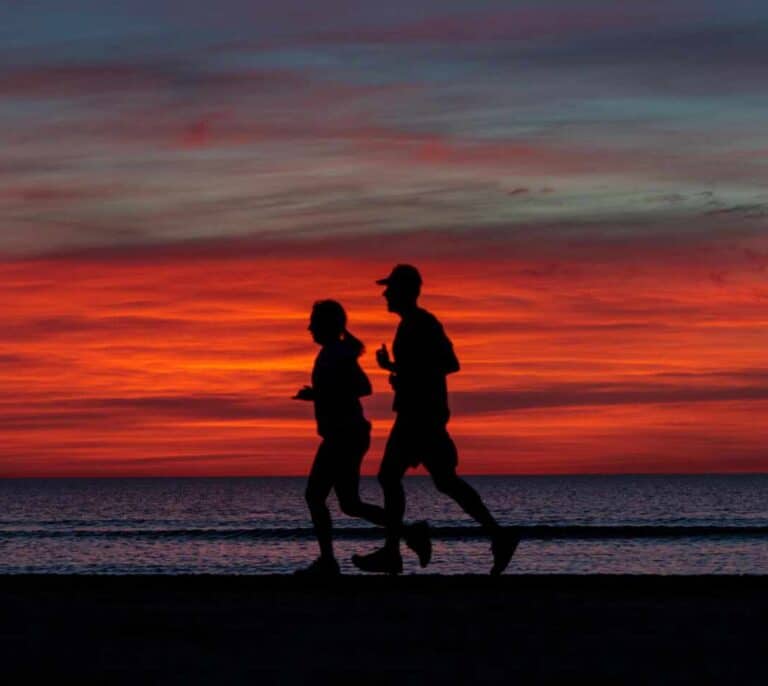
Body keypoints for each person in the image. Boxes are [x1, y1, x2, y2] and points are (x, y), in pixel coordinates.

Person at [352, 265, 519, 575]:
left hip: (421, 415)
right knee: (443, 481)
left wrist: (403, 371)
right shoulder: (410, 325)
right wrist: (393, 367)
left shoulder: (423, 323)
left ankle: (394, 551)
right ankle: (498, 535)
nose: (384, 294)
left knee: (393, 477)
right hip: (418, 413)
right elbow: (421, 368)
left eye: (390, 288)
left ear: (405, 291)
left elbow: (449, 363)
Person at [293, 299, 430, 576]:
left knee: (315, 495)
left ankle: (328, 563)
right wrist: (319, 395)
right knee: (349, 504)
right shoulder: (334, 352)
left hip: (344, 434)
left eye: (314, 322)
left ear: (326, 325)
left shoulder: (338, 353)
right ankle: (410, 533)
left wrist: (317, 395)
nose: (309, 327)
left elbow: (362, 387)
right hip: (345, 433)